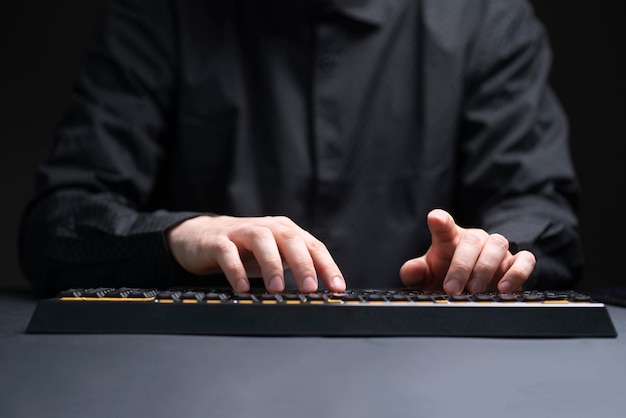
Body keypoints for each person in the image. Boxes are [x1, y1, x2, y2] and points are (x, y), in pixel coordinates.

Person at [18, 0, 583, 297]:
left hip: (434, 379)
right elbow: (58, 226)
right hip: (195, 379)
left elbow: (539, 210)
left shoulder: (486, 18)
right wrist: (179, 235)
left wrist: (490, 257)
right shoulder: (160, 13)